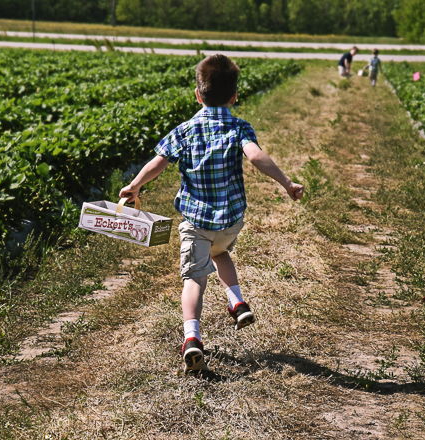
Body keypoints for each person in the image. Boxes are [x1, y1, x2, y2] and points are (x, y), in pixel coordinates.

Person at [119, 54, 304, 374]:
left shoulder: (185, 130)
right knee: (221, 253)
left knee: (194, 278)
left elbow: (159, 162)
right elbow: (256, 157)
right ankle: (237, 302)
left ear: (197, 94)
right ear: (234, 96)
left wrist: (134, 185)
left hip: (197, 221)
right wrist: (286, 183)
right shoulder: (239, 126)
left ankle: (192, 338)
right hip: (230, 220)